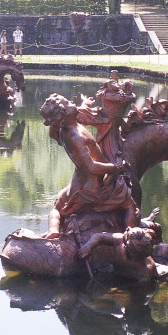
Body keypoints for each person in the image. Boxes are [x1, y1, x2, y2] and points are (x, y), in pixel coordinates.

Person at [39, 94, 138, 238]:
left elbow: (76, 111)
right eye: (68, 102)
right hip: (94, 186)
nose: (72, 102)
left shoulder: (65, 128)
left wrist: (85, 104)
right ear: (64, 114)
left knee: (57, 207)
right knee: (129, 204)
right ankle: (132, 236)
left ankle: (53, 229)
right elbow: (91, 167)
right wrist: (114, 168)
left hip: (77, 182)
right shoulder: (75, 137)